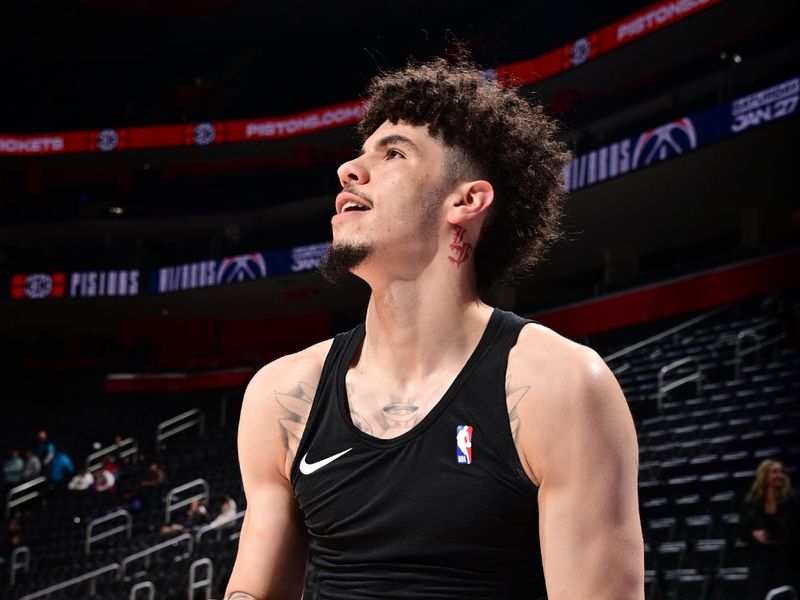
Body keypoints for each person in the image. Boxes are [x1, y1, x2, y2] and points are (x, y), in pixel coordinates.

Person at [224, 54, 643, 600]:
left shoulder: (560, 387)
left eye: (393, 152)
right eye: (359, 153)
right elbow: (253, 590)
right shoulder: (281, 393)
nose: (349, 170)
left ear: (466, 201)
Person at [740, 459, 799, 600]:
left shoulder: (792, 501)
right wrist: (753, 533)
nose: (779, 475)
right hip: (760, 559)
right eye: (774, 472)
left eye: (782, 472)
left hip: (786, 558)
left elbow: (788, 530)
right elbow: (742, 530)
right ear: (764, 476)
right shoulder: (751, 502)